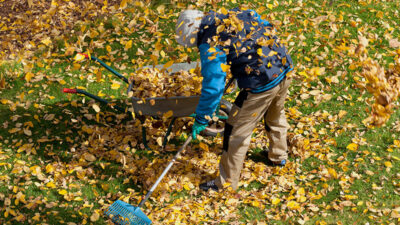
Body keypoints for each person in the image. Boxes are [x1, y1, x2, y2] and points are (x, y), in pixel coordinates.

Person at [175, 8, 294, 191]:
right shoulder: (233, 14)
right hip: (283, 65)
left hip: (261, 82)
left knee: (235, 131)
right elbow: (263, 25)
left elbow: (214, 86)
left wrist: (202, 117)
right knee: (275, 114)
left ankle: (226, 183)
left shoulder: (210, 41)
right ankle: (278, 156)